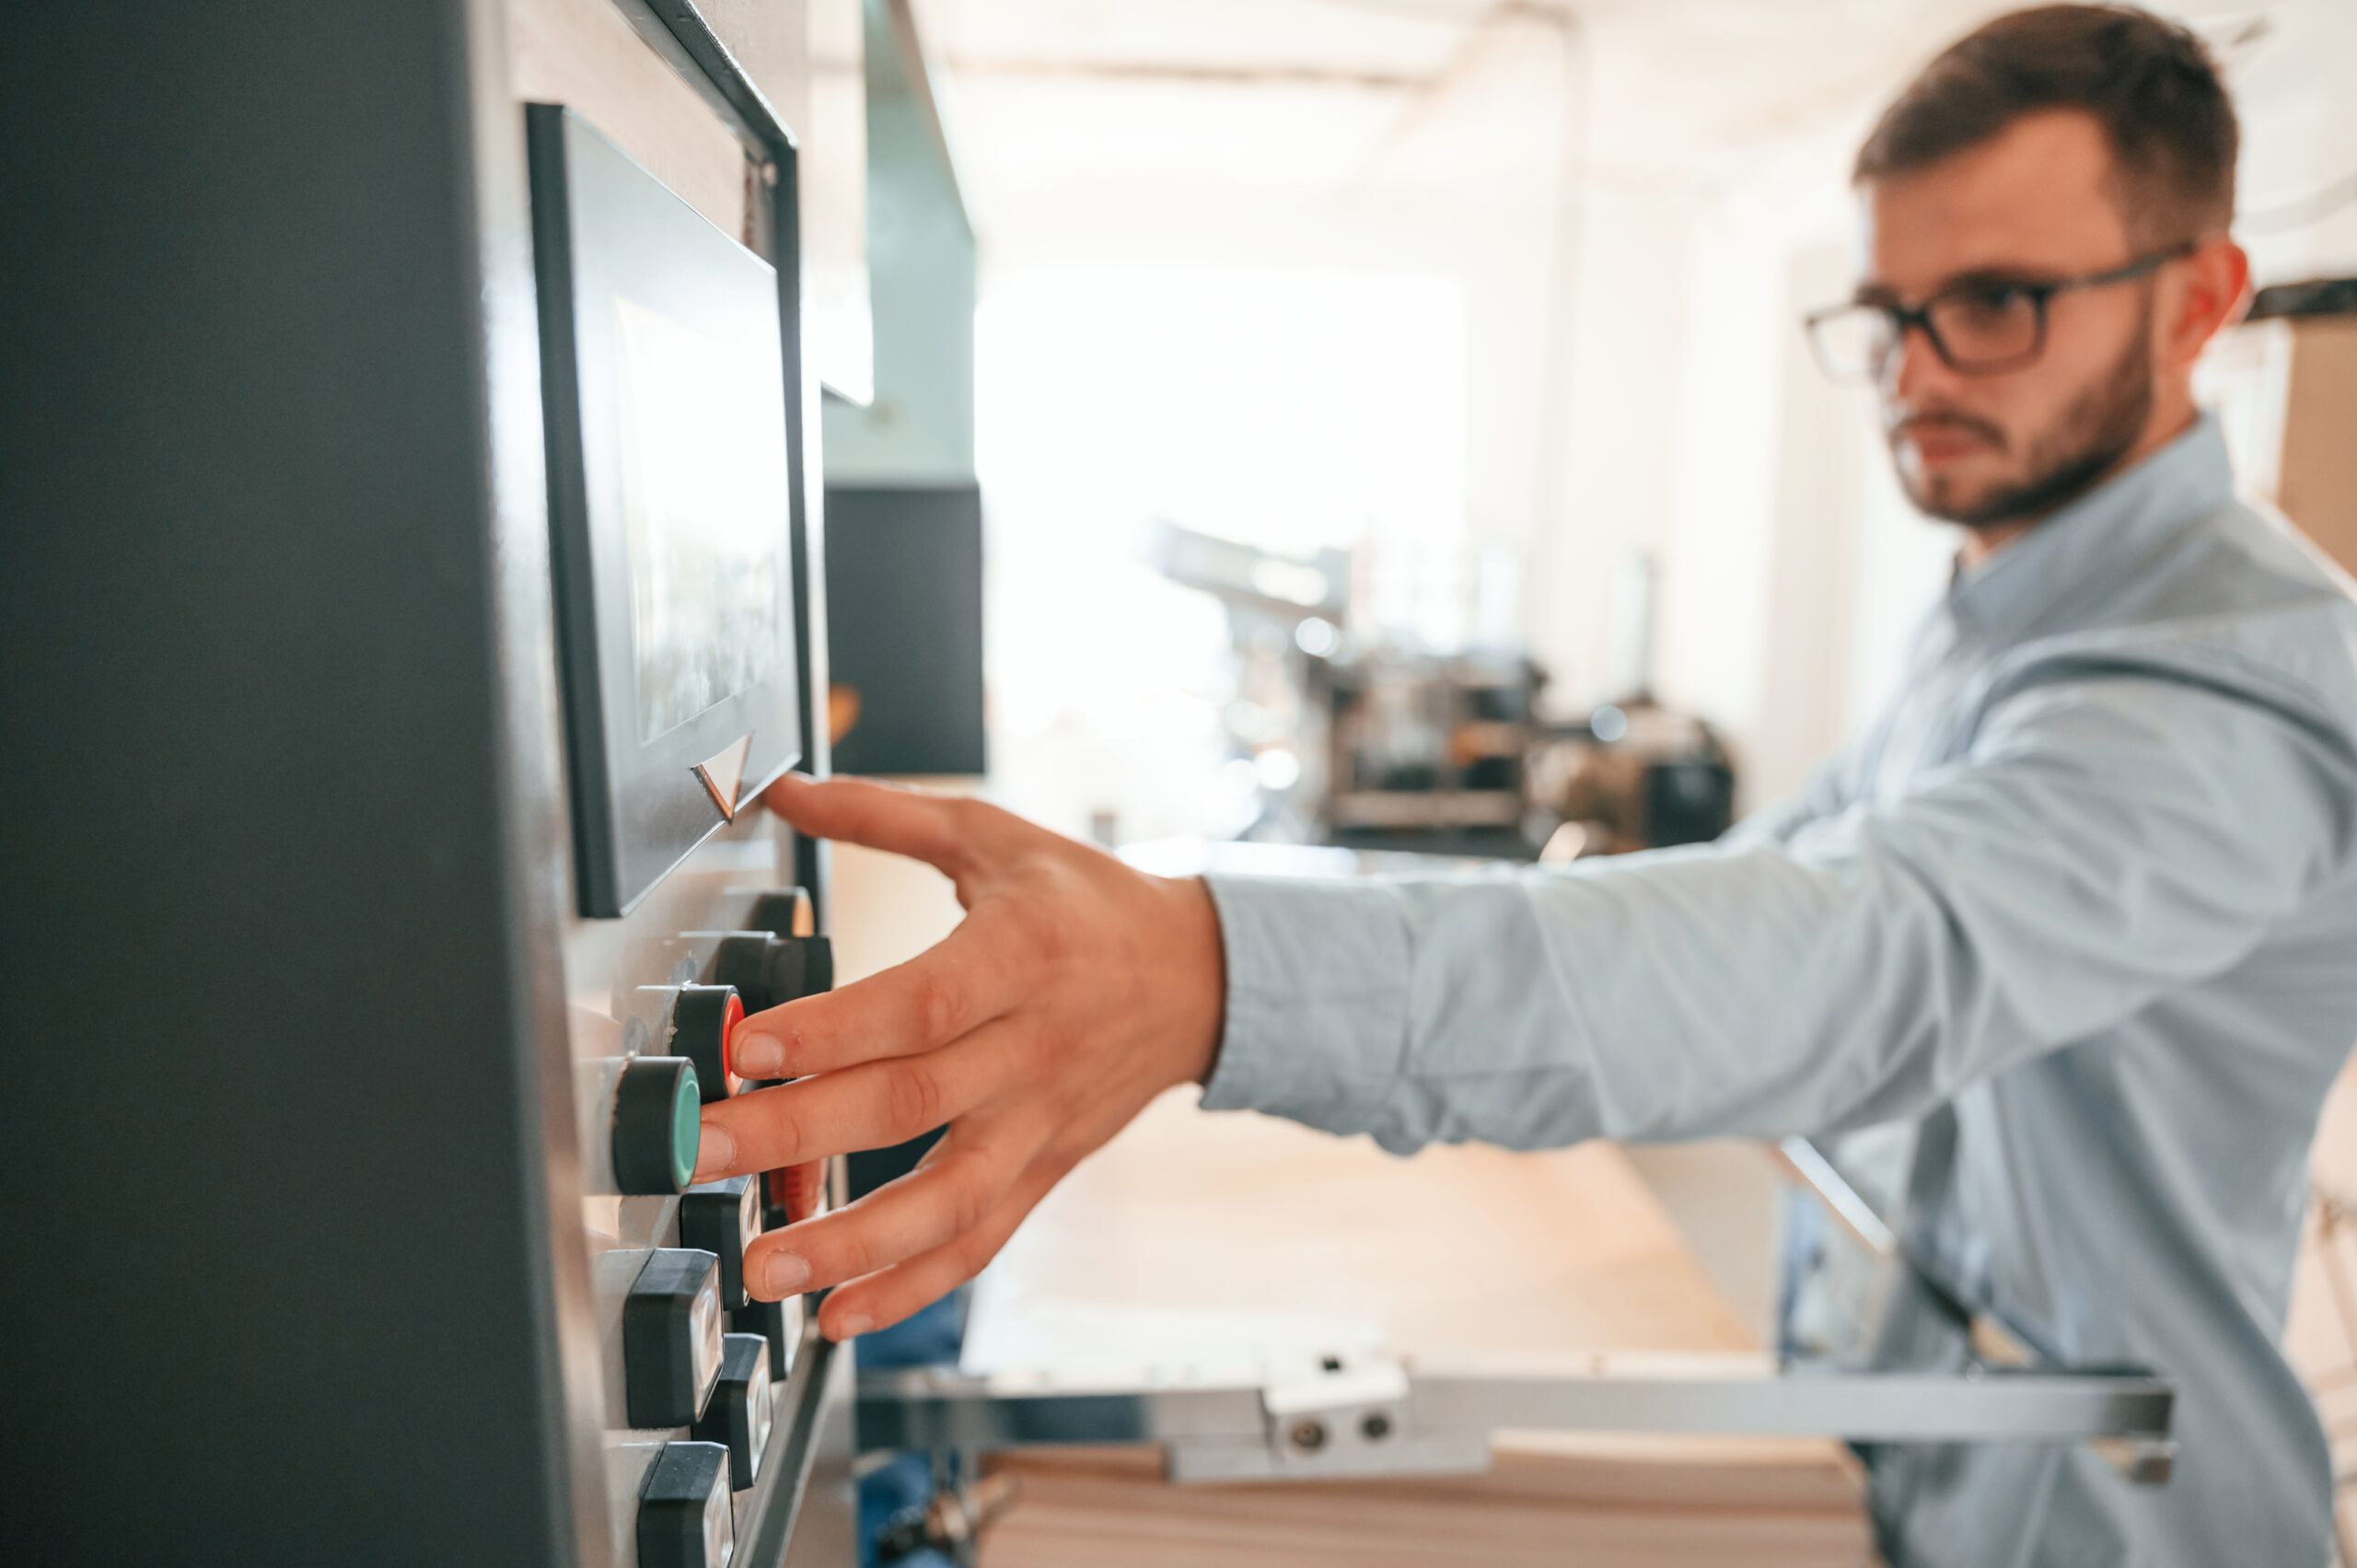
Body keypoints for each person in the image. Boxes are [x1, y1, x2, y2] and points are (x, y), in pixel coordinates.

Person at [697, 6, 2357, 1562]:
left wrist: (1204, 972)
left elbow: (1847, 960)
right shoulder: (2009, 611)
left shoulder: (2232, 681)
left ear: (2199, 299)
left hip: (2113, 1519)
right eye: (1888, 315)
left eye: (1994, 305)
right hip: (1899, 1452)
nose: (1920, 374)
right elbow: (1761, 894)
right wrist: (1222, 922)